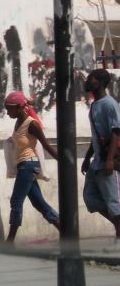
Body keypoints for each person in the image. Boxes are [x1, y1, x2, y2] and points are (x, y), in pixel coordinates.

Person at [3, 91, 59, 243]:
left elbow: (46, 145)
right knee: (39, 203)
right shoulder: (18, 122)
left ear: (19, 107)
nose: (7, 112)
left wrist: (63, 160)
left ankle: (9, 242)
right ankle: (66, 231)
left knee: (16, 201)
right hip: (24, 165)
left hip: (28, 165)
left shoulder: (31, 124)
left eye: (9, 109)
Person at [81, 68, 120, 249]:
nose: (88, 81)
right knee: (91, 198)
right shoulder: (95, 105)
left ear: (101, 83)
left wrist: (110, 159)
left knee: (111, 200)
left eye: (92, 78)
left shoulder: (109, 104)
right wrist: (87, 157)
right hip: (97, 160)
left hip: (106, 160)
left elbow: (116, 132)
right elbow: (97, 135)